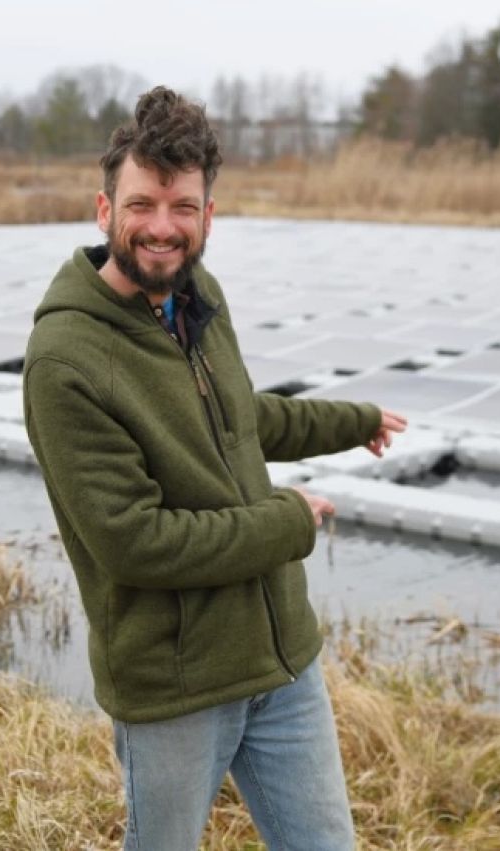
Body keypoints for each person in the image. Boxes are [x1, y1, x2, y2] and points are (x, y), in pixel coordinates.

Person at [22, 85, 408, 851]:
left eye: (183, 207)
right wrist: (288, 522)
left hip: (281, 662)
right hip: (174, 689)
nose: (162, 228)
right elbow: (137, 542)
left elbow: (235, 417)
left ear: (207, 216)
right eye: (142, 205)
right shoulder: (66, 362)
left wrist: (350, 421)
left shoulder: (199, 298)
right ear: (105, 212)